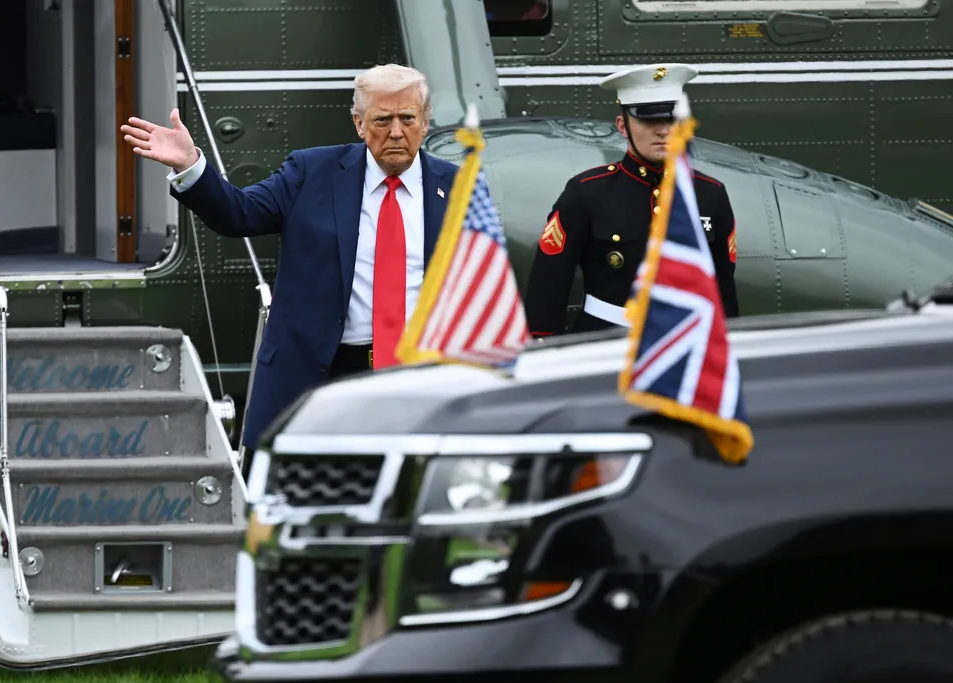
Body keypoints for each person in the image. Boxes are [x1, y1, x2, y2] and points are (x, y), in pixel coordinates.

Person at [119, 63, 460, 452]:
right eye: (382, 119)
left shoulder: (458, 188)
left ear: (426, 122)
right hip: (323, 376)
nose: (396, 131)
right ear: (359, 124)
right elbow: (239, 213)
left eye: (407, 118)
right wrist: (190, 166)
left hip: (420, 377)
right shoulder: (311, 172)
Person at [523, 63, 740, 338]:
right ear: (622, 126)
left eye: (672, 119)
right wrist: (544, 352)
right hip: (605, 344)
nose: (663, 131)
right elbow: (549, 285)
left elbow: (723, 290)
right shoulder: (587, 193)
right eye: (649, 120)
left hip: (686, 344)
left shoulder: (710, 195)